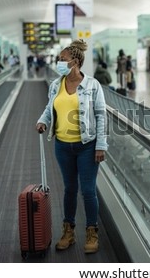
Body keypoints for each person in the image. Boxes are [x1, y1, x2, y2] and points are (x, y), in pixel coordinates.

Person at [36, 39, 108, 254]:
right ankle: (68, 231)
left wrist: (101, 146)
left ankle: (91, 232)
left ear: (75, 62)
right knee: (69, 189)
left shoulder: (93, 85)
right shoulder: (56, 85)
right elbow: (50, 109)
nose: (59, 62)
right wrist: (43, 120)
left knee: (87, 190)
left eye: (62, 59)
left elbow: (101, 116)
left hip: (87, 145)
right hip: (62, 146)